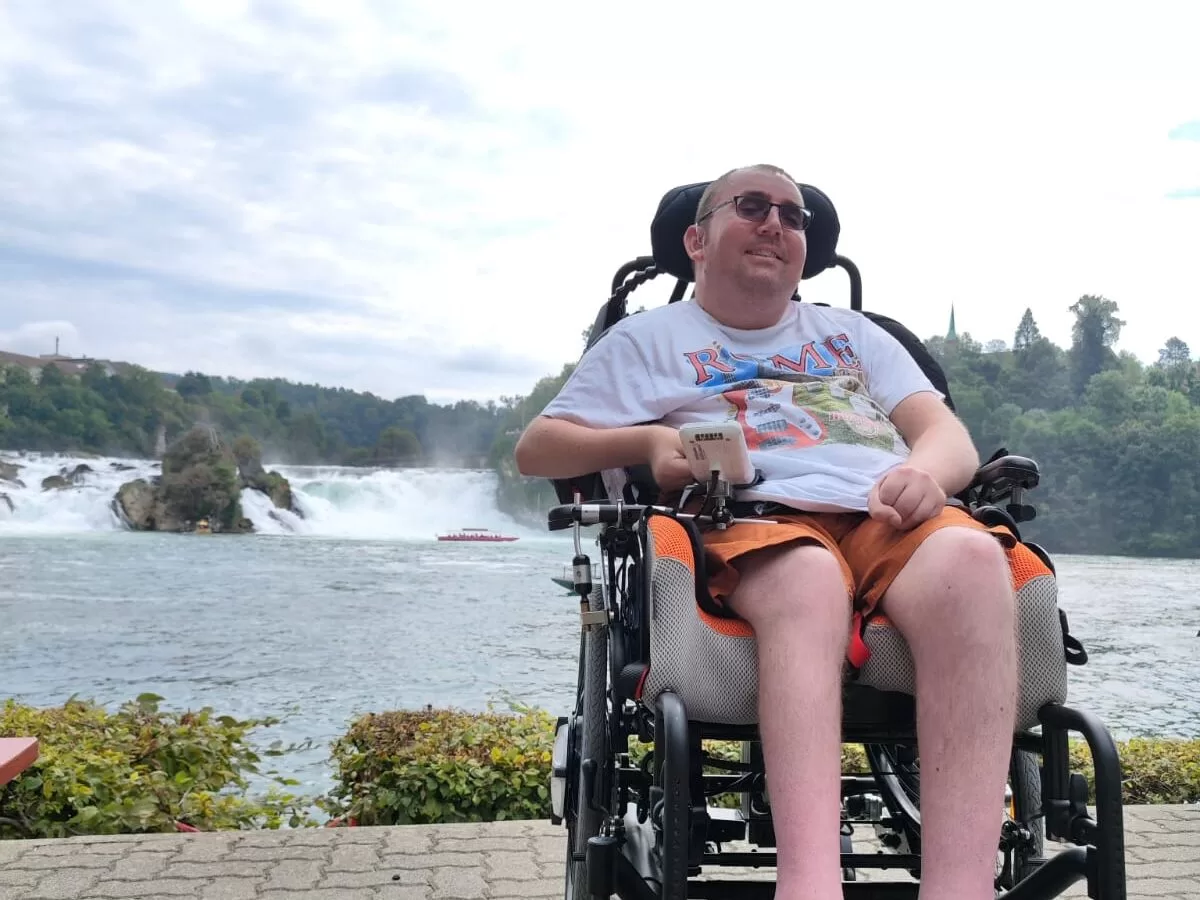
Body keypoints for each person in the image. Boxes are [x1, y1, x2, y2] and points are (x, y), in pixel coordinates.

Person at [514, 163, 1018, 900]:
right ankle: (808, 887)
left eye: (794, 214)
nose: (776, 223)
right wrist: (649, 442)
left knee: (973, 557)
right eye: (752, 206)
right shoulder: (646, 340)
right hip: (747, 511)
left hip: (883, 507)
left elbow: (945, 434)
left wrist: (927, 474)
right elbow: (538, 448)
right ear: (696, 240)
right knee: (806, 577)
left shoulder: (858, 335)